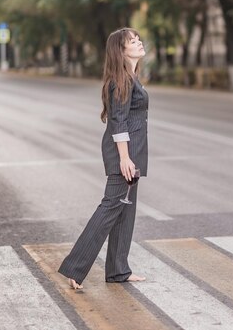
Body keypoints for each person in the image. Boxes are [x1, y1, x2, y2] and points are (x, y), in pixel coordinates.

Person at [58, 28, 148, 290]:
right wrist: (124, 158)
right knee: (111, 207)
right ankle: (75, 267)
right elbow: (118, 120)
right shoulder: (121, 81)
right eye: (133, 41)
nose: (139, 43)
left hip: (131, 152)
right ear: (121, 51)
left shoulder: (130, 78)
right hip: (125, 154)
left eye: (138, 39)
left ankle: (118, 270)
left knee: (125, 209)